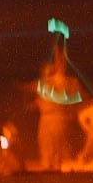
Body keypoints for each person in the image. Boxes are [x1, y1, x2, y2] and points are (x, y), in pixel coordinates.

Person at [31, 37, 82, 172]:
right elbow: (38, 100)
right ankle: (47, 165)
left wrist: (58, 49)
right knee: (45, 142)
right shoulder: (42, 85)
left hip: (57, 117)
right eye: (45, 70)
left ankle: (58, 165)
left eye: (50, 70)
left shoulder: (60, 81)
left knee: (58, 143)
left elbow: (61, 64)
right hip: (45, 118)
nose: (47, 72)